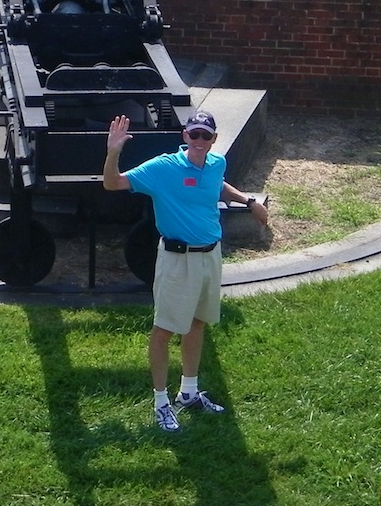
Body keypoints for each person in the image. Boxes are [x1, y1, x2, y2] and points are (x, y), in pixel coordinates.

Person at [103, 108, 270, 432]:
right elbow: (112, 183)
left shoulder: (215, 163)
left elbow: (217, 185)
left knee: (196, 323)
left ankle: (189, 393)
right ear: (185, 136)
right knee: (164, 330)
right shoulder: (163, 168)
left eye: (205, 136)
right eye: (194, 134)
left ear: (213, 139)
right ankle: (161, 402)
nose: (199, 140)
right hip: (177, 259)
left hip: (210, 257)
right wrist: (113, 152)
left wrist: (249, 201)